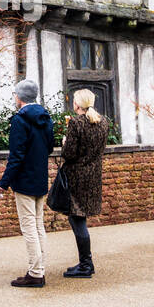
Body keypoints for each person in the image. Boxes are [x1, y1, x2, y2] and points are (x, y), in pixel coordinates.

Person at [0, 80, 53, 288]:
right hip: (40, 178)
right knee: (38, 225)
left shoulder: (20, 120)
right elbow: (50, 147)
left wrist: (2, 184)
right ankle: (39, 269)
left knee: (29, 227)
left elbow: (15, 156)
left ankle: (35, 273)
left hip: (25, 180)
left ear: (19, 97)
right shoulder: (46, 118)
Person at [59, 89, 108, 277]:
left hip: (77, 176)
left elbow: (69, 154)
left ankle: (86, 265)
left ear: (77, 104)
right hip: (94, 176)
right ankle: (85, 262)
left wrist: (65, 142)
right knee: (79, 218)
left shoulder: (76, 123)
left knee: (77, 219)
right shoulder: (103, 122)